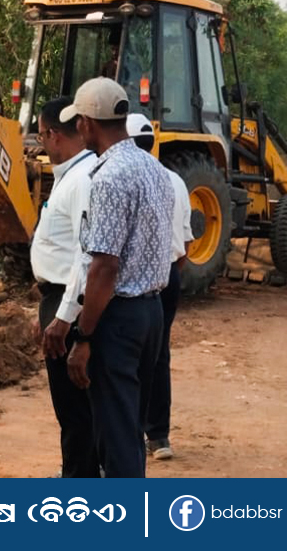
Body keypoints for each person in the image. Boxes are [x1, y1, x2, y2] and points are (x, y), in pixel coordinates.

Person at [62, 77, 174, 479]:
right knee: (131, 423)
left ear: (87, 124)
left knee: (117, 436)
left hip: (119, 319)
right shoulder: (153, 169)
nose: (77, 128)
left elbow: (105, 267)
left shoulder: (108, 178)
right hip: (152, 314)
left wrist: (85, 336)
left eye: (77, 121)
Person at [29, 98, 100, 478]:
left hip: (69, 304)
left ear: (54, 135)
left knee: (75, 409)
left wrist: (62, 316)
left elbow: (85, 256)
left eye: (41, 135)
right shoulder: (70, 176)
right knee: (73, 408)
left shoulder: (82, 180)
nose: (41, 144)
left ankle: (80, 485)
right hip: (58, 299)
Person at [126, 113, 193, 462]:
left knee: (123, 358)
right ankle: (159, 436)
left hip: (128, 281)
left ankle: (128, 436)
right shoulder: (175, 182)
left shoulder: (118, 178)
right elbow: (186, 243)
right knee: (158, 354)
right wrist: (166, 273)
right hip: (167, 276)